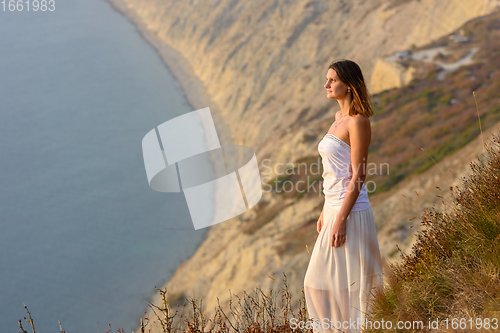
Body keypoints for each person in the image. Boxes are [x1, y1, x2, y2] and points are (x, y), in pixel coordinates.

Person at [303, 59, 383, 333]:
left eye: (332, 80)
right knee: (319, 284)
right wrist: (326, 210)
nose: (326, 85)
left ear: (348, 85)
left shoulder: (358, 122)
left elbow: (358, 176)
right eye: (327, 79)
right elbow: (333, 173)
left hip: (352, 213)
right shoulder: (338, 119)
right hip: (334, 209)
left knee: (353, 286)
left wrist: (341, 218)